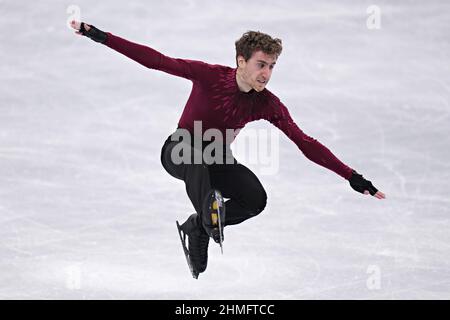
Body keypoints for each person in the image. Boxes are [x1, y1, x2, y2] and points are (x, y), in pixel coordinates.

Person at [70, 21, 386, 279]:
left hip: (217, 159)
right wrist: (101, 36)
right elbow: (157, 61)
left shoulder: (267, 104)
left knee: (256, 199)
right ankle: (210, 214)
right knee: (196, 160)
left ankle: (200, 225)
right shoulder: (209, 76)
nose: (267, 73)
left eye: (272, 66)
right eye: (261, 64)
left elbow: (305, 142)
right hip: (178, 150)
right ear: (241, 61)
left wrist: (351, 176)